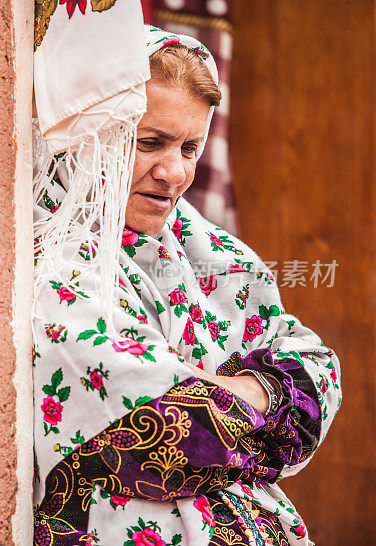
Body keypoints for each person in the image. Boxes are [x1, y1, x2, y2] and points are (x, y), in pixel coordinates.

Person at [31, 25, 341, 546]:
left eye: (191, 147)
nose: (174, 173)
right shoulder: (55, 258)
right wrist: (270, 393)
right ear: (90, 134)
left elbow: (318, 366)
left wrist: (248, 391)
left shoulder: (200, 247)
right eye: (150, 142)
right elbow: (154, 422)